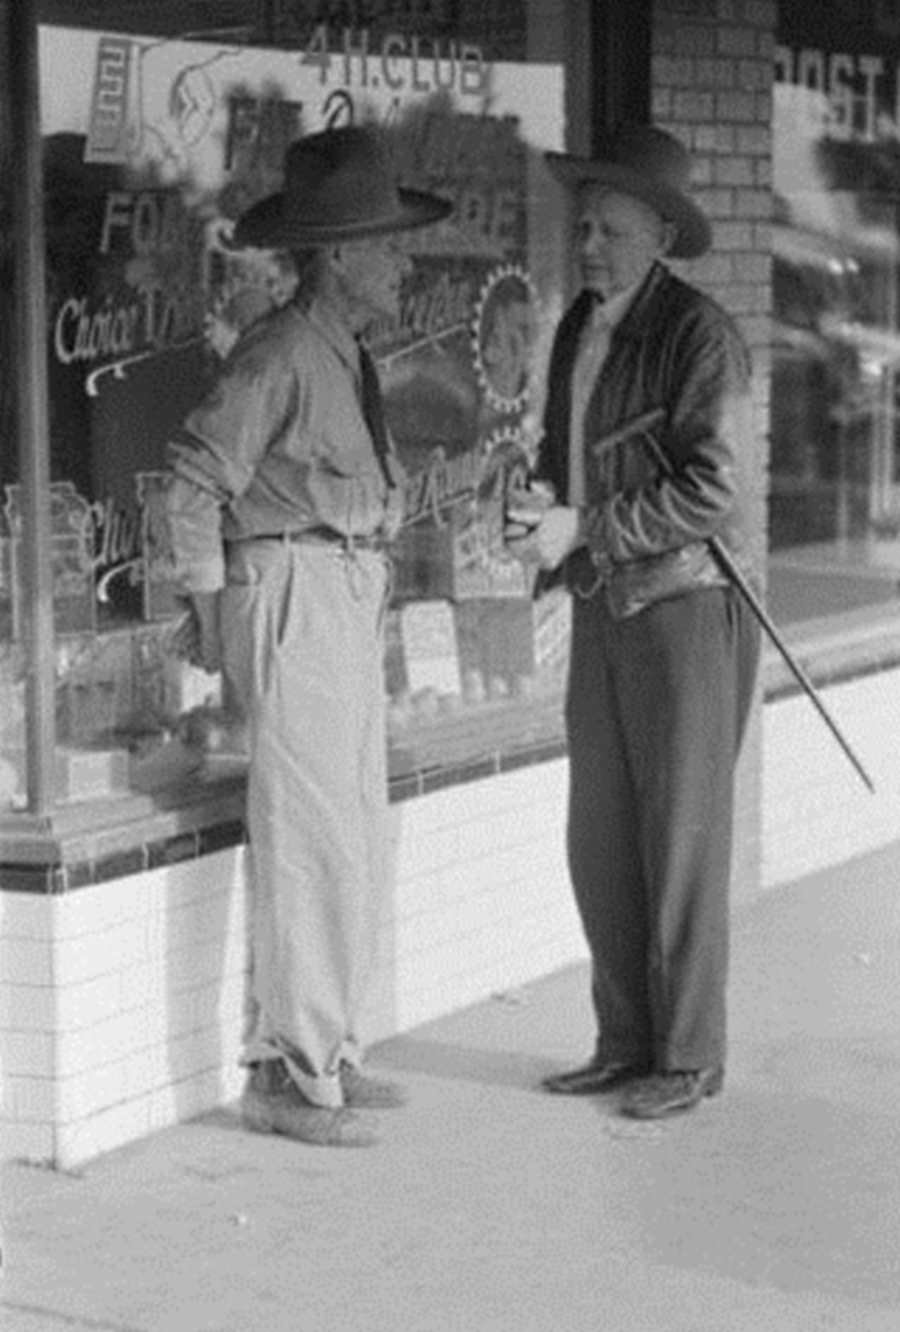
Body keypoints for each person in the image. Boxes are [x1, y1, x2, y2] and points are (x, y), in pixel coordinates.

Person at [166, 126, 451, 1147]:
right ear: (337, 256)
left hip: (342, 588)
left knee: (350, 835)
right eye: (387, 246)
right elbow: (194, 485)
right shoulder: (283, 352)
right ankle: (290, 1077)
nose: (402, 263)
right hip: (293, 590)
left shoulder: (346, 354)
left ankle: (328, 1050)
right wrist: (213, 616)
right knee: (312, 841)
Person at [507, 124, 761, 1120]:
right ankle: (623, 1041)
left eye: (612, 228)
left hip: (686, 612)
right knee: (601, 837)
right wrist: (540, 509)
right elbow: (573, 455)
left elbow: (715, 492)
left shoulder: (700, 335)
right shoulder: (578, 323)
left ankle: (689, 1055)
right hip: (603, 603)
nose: (592, 245)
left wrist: (589, 526)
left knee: (680, 842)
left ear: (661, 232)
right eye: (584, 226)